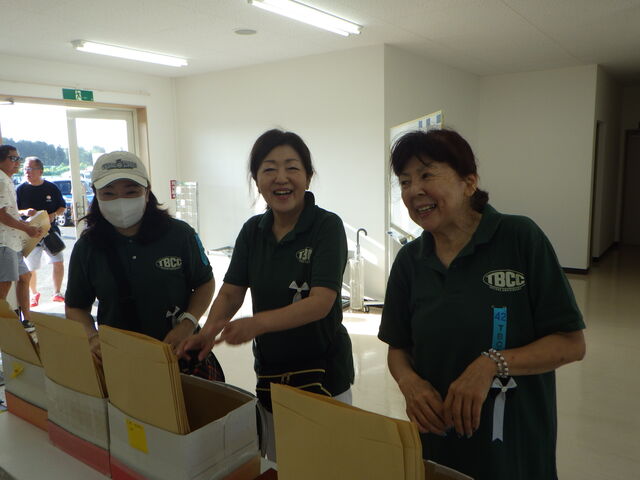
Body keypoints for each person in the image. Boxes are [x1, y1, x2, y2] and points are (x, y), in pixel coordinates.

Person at [378, 129, 586, 479]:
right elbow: (398, 347)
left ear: (469, 183)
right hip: (439, 438)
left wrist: (492, 363)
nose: (413, 191)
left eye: (427, 175)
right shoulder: (410, 261)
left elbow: (571, 344)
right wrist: (409, 383)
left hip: (513, 442)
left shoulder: (520, 239)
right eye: (405, 181)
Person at [178, 129, 354, 460]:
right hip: (271, 371)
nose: (281, 178)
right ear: (256, 180)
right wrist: (208, 332)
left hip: (324, 372)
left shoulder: (327, 226)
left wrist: (256, 324)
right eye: (269, 169)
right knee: (279, 461)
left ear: (308, 176)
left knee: (326, 463)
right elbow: (231, 293)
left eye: (292, 167)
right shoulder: (252, 231)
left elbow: (321, 303)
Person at [64, 151, 218, 373]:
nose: (121, 201)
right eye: (108, 193)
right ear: (96, 195)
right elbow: (76, 306)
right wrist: (92, 337)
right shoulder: (87, 247)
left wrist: (187, 324)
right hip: (118, 359)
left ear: (147, 192)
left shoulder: (180, 235)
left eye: (131, 192)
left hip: (180, 355)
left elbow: (204, 283)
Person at [0, 145, 42, 331]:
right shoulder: (0, 180)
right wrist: (27, 229)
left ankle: (27, 320)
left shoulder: (7, 179)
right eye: (13, 158)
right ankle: (4, 327)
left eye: (18, 158)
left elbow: (10, 212)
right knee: (4, 285)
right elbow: (2, 215)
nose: (17, 162)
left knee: (25, 276)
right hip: (4, 242)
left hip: (13, 241)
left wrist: (24, 218)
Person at [17, 156, 67, 305]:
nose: (27, 172)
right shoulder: (20, 189)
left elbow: (62, 206)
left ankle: (57, 292)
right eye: (25, 169)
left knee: (58, 261)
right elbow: (13, 210)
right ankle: (34, 294)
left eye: (30, 169)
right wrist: (25, 212)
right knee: (30, 266)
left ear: (40, 171)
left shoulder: (51, 187)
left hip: (50, 231)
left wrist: (54, 214)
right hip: (30, 232)